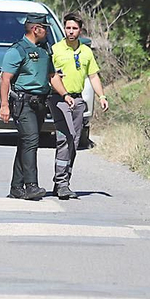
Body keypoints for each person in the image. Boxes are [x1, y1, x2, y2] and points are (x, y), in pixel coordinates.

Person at [47, 12, 110, 200]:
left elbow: (93, 76)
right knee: (65, 138)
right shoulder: (55, 50)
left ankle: (63, 180)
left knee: (74, 141)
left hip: (78, 100)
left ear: (80, 30)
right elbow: (49, 75)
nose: (71, 31)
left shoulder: (86, 52)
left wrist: (101, 96)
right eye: (68, 28)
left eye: (74, 28)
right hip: (59, 99)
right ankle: (62, 183)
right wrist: (62, 92)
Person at [0, 13, 54, 200]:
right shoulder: (17, 50)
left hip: (40, 102)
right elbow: (5, 79)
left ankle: (16, 187)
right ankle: (31, 186)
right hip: (23, 103)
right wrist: (4, 105)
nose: (47, 32)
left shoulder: (45, 49)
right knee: (31, 141)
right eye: (44, 28)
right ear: (35, 29)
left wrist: (66, 95)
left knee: (25, 143)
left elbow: (51, 76)